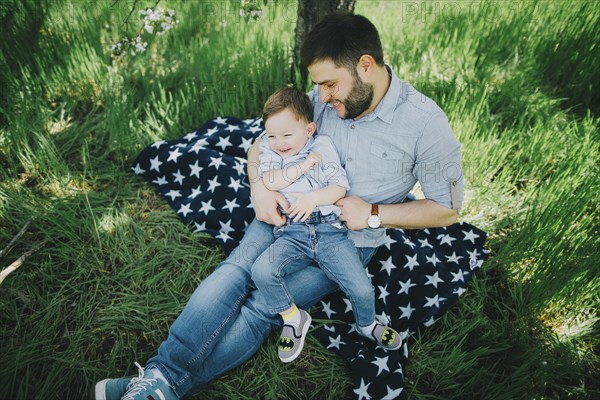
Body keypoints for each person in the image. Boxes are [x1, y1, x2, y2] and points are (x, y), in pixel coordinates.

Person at [95, 11, 462, 400]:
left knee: (261, 306)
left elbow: (447, 209)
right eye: (318, 86)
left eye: (329, 85)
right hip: (285, 218)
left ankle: (160, 383)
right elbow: (261, 145)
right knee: (237, 268)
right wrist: (259, 187)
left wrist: (374, 214)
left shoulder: (426, 124)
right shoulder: (322, 101)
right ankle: (160, 377)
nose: (322, 97)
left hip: (344, 240)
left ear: (366, 66)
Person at [252, 86, 401, 364]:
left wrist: (313, 198)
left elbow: (338, 189)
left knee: (361, 288)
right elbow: (270, 181)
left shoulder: (322, 146)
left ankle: (367, 324)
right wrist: (304, 165)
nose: (279, 142)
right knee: (261, 270)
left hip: (329, 231)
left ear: (309, 130)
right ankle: (293, 318)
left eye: (286, 135)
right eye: (271, 135)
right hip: (293, 233)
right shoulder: (272, 152)